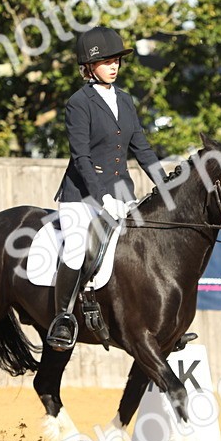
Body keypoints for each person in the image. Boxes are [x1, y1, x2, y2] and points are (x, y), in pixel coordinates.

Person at [45, 26, 164, 351]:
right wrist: (102, 197)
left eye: (117, 61)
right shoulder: (78, 103)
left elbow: (141, 147)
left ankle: (157, 320)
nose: (114, 66)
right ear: (89, 66)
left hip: (122, 193)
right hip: (81, 196)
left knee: (145, 248)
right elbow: (80, 156)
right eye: (107, 62)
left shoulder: (125, 101)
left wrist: (164, 183)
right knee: (75, 248)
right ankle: (63, 318)